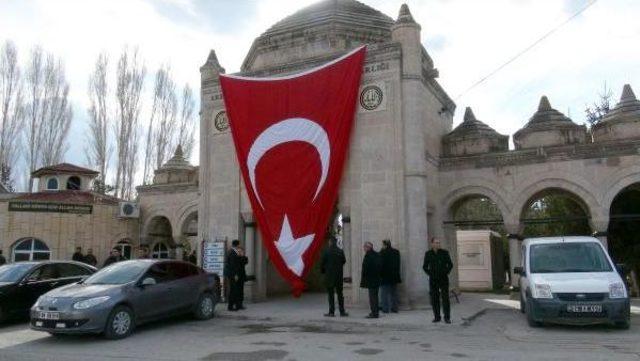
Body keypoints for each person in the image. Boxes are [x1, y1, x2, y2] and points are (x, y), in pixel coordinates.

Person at [422, 237, 454, 324]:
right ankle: (437, 317)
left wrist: (446, 272)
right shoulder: (428, 254)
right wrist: (430, 273)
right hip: (433, 279)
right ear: (432, 244)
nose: (438, 244)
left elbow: (450, 264)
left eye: (439, 243)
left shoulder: (444, 253)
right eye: (436, 243)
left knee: (445, 298)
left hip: (443, 278)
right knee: (434, 298)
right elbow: (424, 266)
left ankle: (447, 317)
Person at [321, 236, 348, 317]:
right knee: (340, 294)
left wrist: (324, 271)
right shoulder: (340, 251)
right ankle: (342, 311)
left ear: (330, 242)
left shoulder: (327, 251)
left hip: (329, 276)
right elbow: (344, 261)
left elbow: (322, 263)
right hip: (339, 276)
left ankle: (331, 312)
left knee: (331, 294)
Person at [224, 240, 248, 311]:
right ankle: (230, 306)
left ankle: (238, 305)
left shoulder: (237, 252)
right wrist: (235, 275)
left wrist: (242, 255)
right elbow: (233, 265)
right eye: (239, 245)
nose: (240, 247)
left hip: (239, 274)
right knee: (233, 290)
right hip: (233, 274)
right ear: (237, 245)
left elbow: (243, 262)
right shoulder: (232, 252)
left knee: (238, 290)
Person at [360, 241, 381, 319]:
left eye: (365, 247)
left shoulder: (368, 256)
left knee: (372, 297)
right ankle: (376, 312)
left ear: (368, 247)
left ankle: (374, 313)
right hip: (377, 279)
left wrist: (364, 277)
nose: (364, 248)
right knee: (375, 297)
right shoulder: (377, 255)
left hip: (370, 279)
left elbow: (365, 268)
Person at [379, 239, 401, 313]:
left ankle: (385, 309)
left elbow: (380, 264)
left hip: (385, 276)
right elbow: (398, 264)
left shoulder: (382, 253)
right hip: (394, 276)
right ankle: (394, 308)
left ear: (385, 245)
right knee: (394, 293)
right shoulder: (396, 252)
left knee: (384, 294)